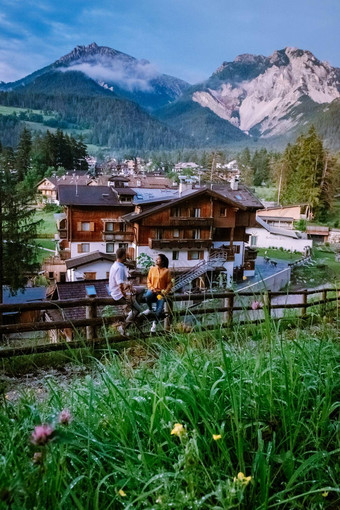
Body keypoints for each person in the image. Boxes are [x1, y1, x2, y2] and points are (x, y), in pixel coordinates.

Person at [109, 247, 143, 336]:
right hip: (119, 294)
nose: (127, 256)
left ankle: (133, 308)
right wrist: (125, 296)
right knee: (137, 311)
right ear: (123, 255)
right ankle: (123, 327)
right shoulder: (119, 268)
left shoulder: (115, 265)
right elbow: (120, 284)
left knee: (142, 289)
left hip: (116, 291)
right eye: (126, 254)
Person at [142, 254, 172, 333]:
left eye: (158, 259)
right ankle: (150, 309)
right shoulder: (152, 269)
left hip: (160, 294)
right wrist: (151, 288)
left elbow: (169, 283)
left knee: (159, 309)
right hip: (152, 290)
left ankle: (154, 324)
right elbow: (148, 280)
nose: (156, 260)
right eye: (156, 259)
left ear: (162, 261)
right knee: (147, 296)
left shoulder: (166, 271)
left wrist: (165, 292)